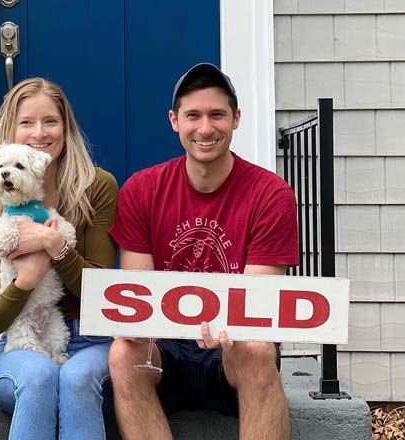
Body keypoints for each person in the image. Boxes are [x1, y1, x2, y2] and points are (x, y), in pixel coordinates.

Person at [108, 63, 298, 440]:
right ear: (174, 120)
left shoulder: (270, 194)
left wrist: (224, 325)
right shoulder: (141, 190)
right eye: (193, 115)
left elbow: (254, 305)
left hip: (230, 351)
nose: (205, 128)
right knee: (123, 353)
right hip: (165, 351)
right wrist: (138, 330)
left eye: (217, 115)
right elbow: (140, 294)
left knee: (257, 349)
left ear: (236, 118)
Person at [0, 77, 118, 440]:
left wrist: (55, 245)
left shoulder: (97, 188)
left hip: (91, 340)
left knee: (76, 377)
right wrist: (24, 282)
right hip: (19, 346)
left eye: (50, 121)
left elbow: (101, 293)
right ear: (11, 131)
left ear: (65, 128)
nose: (39, 133)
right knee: (39, 375)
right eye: (27, 123)